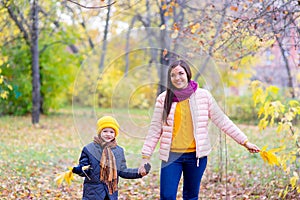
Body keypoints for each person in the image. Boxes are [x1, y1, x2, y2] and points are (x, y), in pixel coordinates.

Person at [138, 60, 260, 200]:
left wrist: (245, 142)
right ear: (169, 78)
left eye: (180, 73)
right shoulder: (163, 99)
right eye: (173, 75)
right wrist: (145, 157)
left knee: (191, 196)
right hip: (171, 156)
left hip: (196, 157)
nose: (177, 78)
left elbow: (223, 120)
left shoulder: (203, 96)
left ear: (188, 74)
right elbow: (154, 130)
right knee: (167, 196)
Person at [73, 116, 151, 200]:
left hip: (110, 194)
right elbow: (85, 168)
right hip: (93, 194)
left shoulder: (118, 151)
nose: (108, 134)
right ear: (100, 132)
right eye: (105, 131)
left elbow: (123, 171)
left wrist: (139, 172)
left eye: (111, 132)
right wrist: (80, 170)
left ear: (115, 134)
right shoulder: (89, 149)